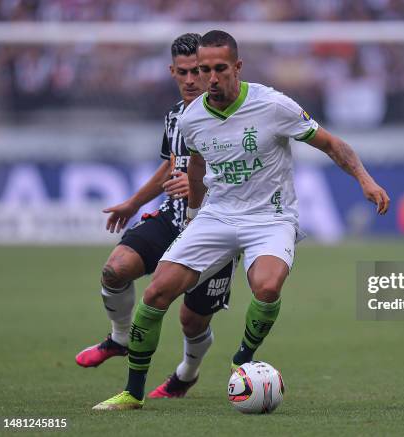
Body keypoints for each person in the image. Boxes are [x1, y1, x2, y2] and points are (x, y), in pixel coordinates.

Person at [93, 30, 389, 411]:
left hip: (271, 216)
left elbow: (330, 143)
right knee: (155, 295)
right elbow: (196, 165)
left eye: (219, 68)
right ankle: (132, 394)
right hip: (218, 215)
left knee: (266, 288)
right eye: (203, 69)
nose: (210, 78)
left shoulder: (274, 106)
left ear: (237, 66)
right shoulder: (191, 117)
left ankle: (243, 358)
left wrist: (365, 179)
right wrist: (196, 215)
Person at [76, 33, 236, 399]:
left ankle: (186, 374)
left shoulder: (233, 118)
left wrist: (201, 186)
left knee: (192, 320)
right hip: (172, 218)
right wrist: (133, 203)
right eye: (184, 73)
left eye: (198, 71)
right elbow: (171, 166)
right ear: (172, 72)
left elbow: (244, 176)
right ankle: (119, 340)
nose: (192, 80)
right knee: (115, 270)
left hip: (216, 226)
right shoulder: (175, 116)